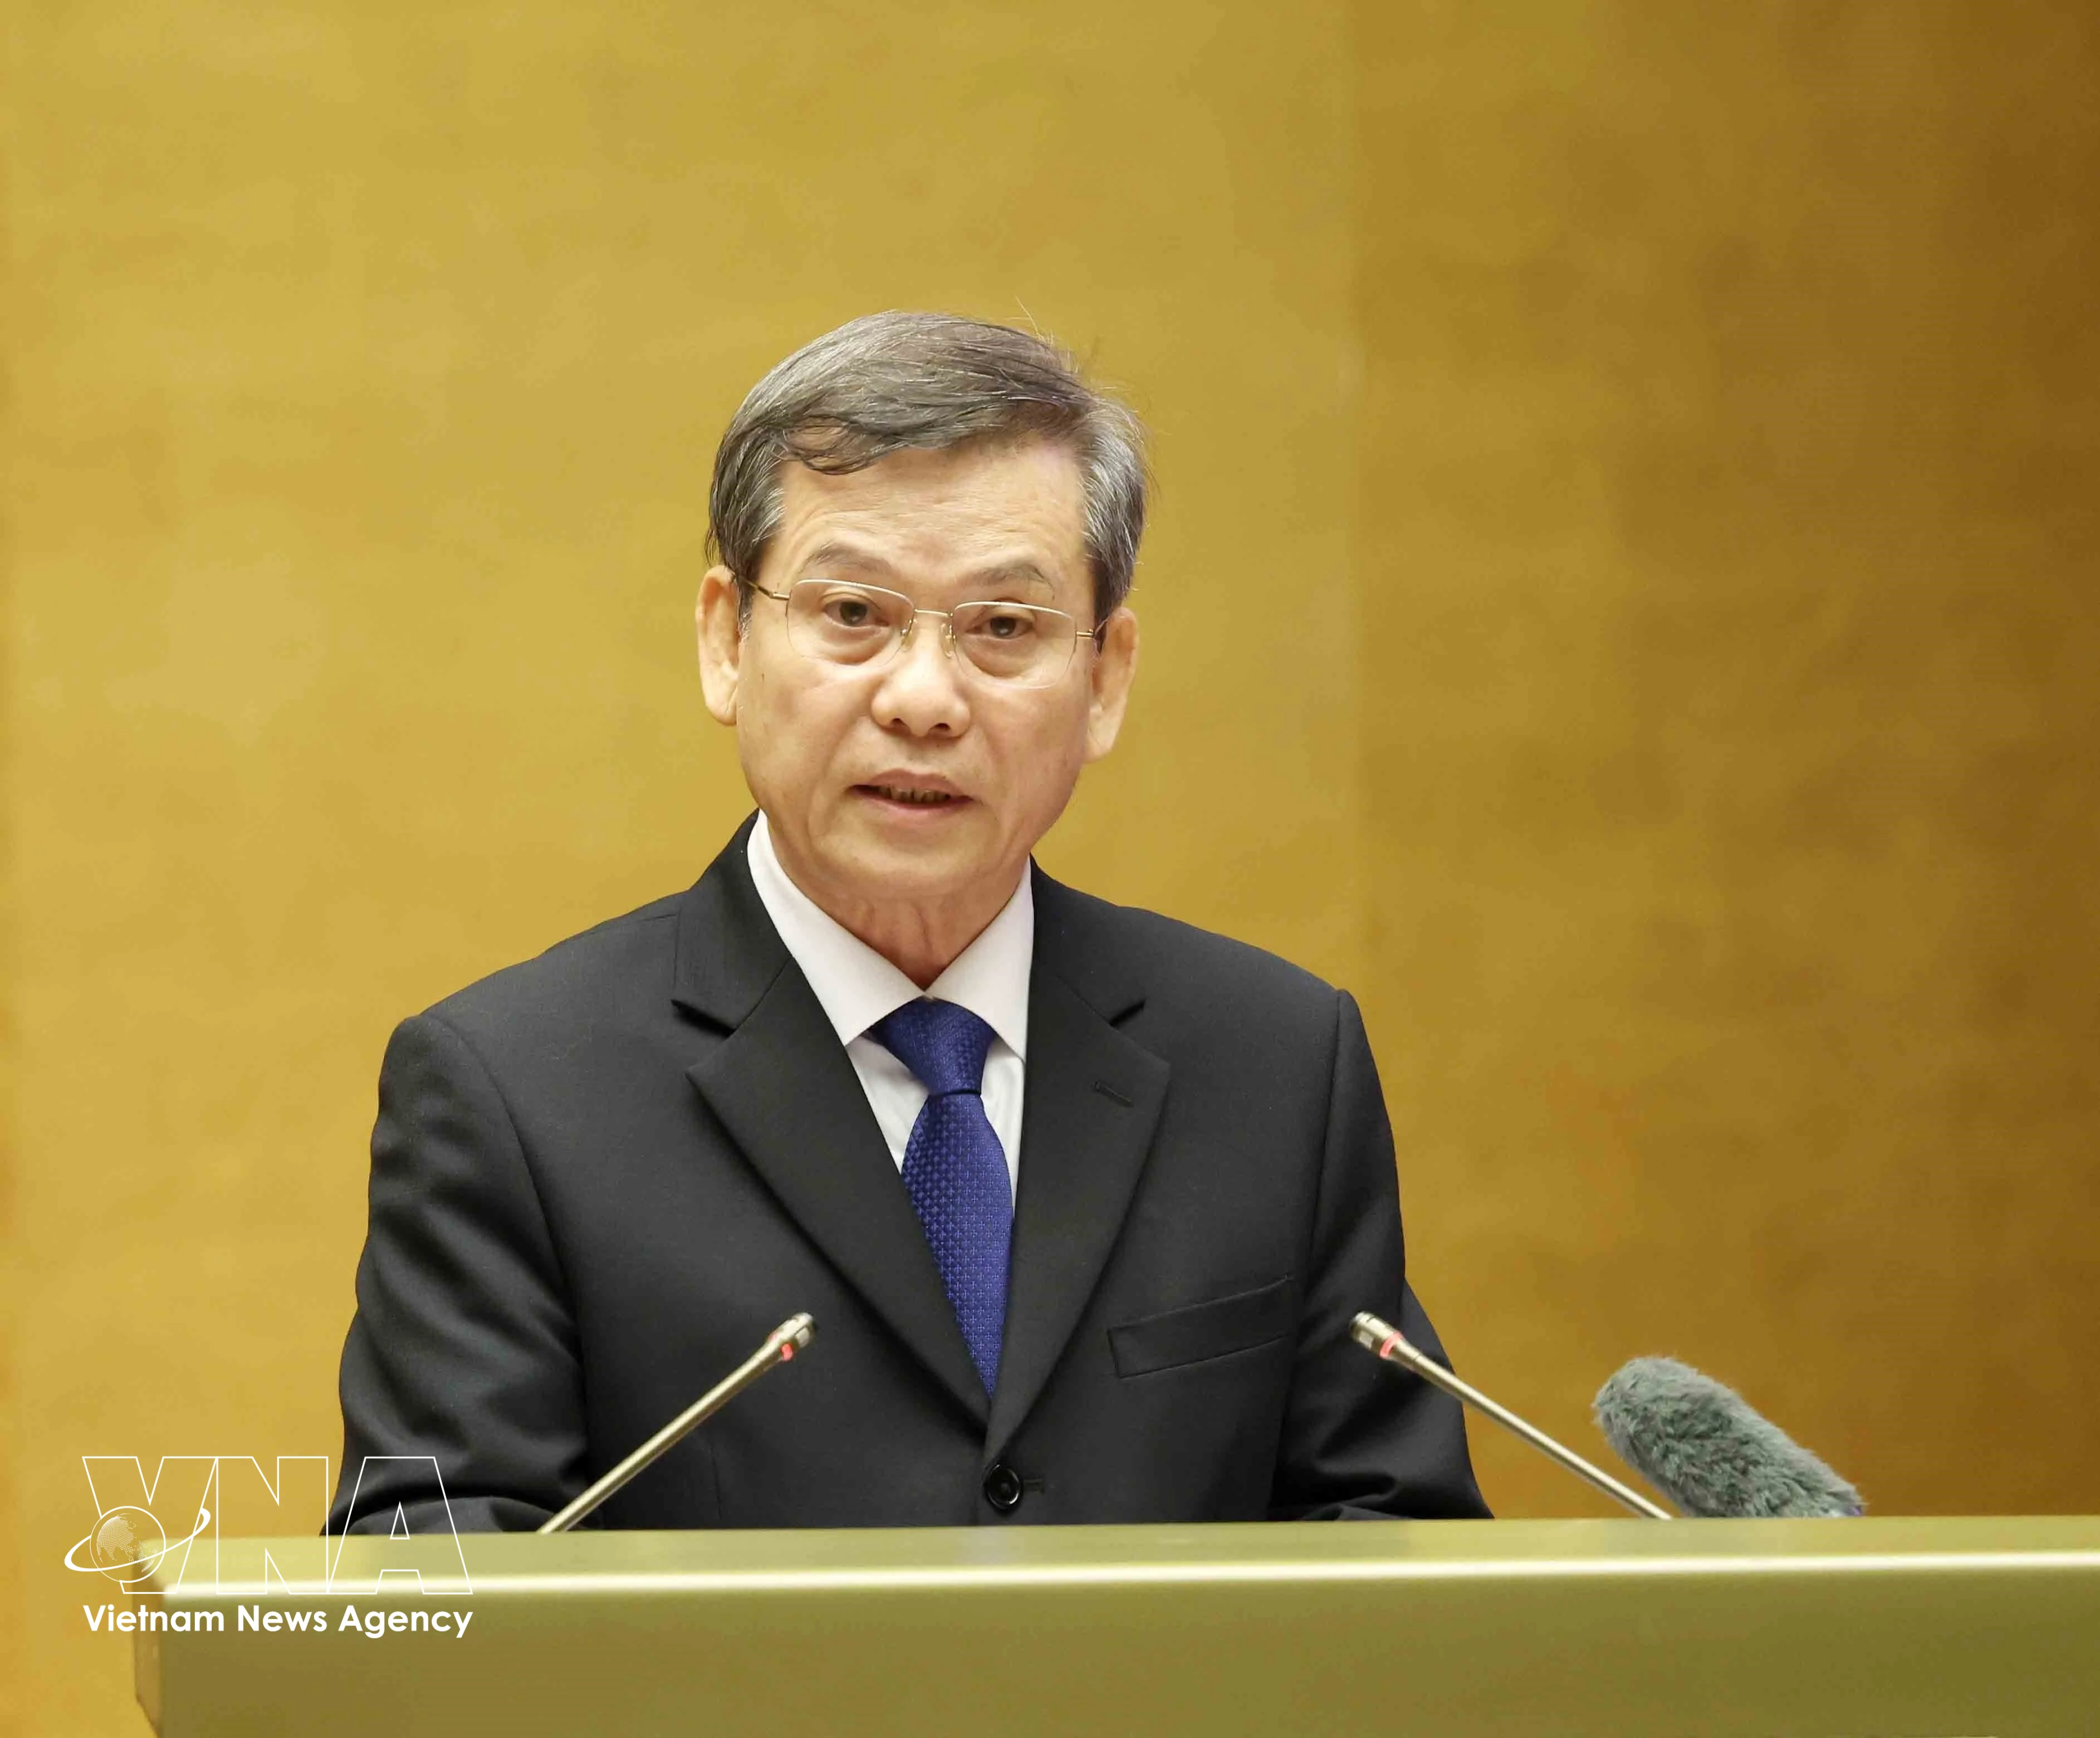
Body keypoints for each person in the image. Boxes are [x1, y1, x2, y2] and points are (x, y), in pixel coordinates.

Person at [330, 311, 1489, 1533]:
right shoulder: (514, 1092)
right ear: (726, 641)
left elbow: (1390, 1545)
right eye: (852, 614)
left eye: (1002, 628)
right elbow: (430, 1606)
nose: (925, 698)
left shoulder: (1273, 1065)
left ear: (1103, 682)